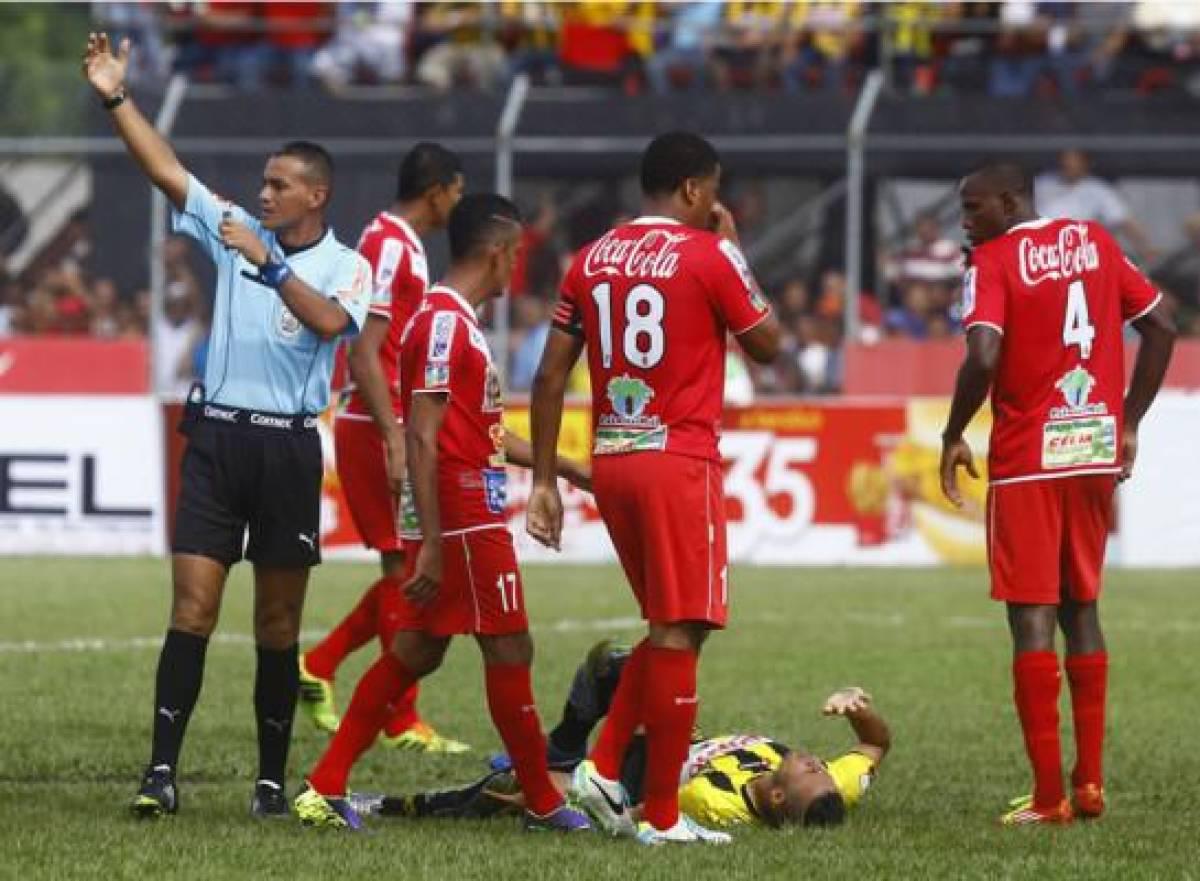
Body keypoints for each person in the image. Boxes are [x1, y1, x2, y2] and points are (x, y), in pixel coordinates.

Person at [83, 34, 373, 819]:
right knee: (192, 608)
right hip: (216, 437)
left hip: (285, 446)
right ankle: (159, 774)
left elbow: (327, 324)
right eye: (264, 182)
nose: (264, 193)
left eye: (280, 185)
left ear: (317, 195)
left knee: (278, 620)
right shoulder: (235, 224)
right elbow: (165, 169)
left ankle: (271, 782)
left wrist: (271, 264)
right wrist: (116, 95)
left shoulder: (348, 263)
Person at [293, 194, 591, 833]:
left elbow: (475, 430)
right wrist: (429, 540)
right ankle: (543, 801)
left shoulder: (452, 319)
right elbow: (423, 434)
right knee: (509, 644)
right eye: (516, 256)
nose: (518, 269)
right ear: (498, 253)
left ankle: (324, 785)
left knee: (417, 650)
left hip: (458, 503)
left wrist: (565, 469)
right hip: (458, 512)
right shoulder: (445, 322)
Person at [527, 131, 783, 845]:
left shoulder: (592, 258)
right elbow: (769, 343)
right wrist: (735, 250)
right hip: (678, 458)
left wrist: (545, 479)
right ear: (696, 190)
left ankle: (605, 766)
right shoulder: (707, 253)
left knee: (675, 626)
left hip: (614, 458)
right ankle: (661, 812)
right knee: (680, 627)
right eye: (715, 191)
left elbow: (549, 376)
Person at [941, 161, 1175, 826]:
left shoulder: (992, 261)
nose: (965, 218)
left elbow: (983, 356)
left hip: (1028, 459)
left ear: (1009, 200)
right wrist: (1127, 419)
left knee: (1031, 617)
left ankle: (1049, 798)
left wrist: (953, 432)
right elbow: (1161, 325)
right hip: (1092, 450)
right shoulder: (1096, 241)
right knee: (1083, 608)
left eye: (973, 206)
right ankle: (1090, 783)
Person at [298, 143, 470, 755]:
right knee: (411, 571)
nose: (459, 201)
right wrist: (395, 434)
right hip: (378, 425)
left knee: (406, 568)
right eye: (457, 189)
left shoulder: (390, 240)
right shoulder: (393, 245)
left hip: (376, 421)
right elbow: (365, 349)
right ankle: (399, 717)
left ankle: (321, 664)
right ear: (438, 190)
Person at [350, 639, 890, 829]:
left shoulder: (716, 803)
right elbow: (875, 746)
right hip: (676, 739)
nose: (818, 762)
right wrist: (857, 710)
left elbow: (635, 815)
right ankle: (565, 742)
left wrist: (548, 798)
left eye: (810, 770)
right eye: (822, 768)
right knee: (628, 667)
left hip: (643, 778)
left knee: (530, 772)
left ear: (775, 795)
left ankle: (398, 806)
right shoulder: (832, 793)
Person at [1034, 149, 1158, 263]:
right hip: (1040, 251)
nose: (1068, 166)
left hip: (1079, 254)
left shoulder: (1098, 189)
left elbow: (1123, 221)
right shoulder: (1043, 182)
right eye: (1065, 163)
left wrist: (1145, 249)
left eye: (1073, 163)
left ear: (1085, 164)